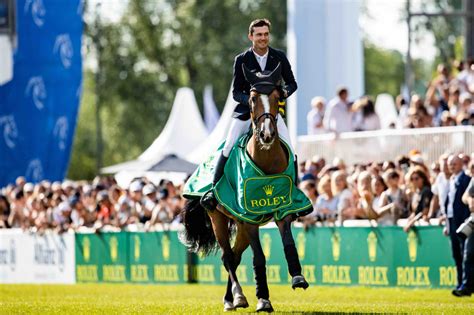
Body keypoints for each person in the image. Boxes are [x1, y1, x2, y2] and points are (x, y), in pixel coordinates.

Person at [201, 18, 298, 210]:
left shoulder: (279, 57)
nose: (263, 38)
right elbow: (236, 92)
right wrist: (254, 103)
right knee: (229, 144)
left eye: (266, 34)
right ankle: (213, 190)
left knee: (291, 149)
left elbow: (292, 83)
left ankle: (296, 191)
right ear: (251, 36)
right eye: (259, 34)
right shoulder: (241, 59)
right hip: (248, 111)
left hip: (272, 113)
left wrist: (281, 94)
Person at [444, 155, 473, 297]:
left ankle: (465, 284)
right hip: (457, 221)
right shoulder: (452, 179)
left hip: (464, 220)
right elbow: (460, 198)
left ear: (461, 164)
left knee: (466, 252)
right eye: (450, 164)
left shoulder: (465, 179)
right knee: (461, 254)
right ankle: (463, 284)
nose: (452, 166)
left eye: (454, 163)